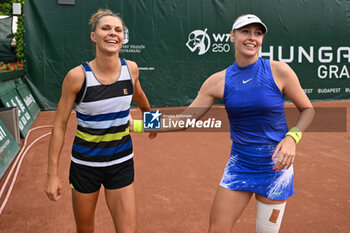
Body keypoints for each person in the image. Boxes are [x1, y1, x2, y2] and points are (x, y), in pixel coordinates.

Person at [143, 14, 313, 232]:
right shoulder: (218, 81)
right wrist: (140, 124)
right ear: (232, 36)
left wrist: (292, 137)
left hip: (276, 168)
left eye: (258, 33)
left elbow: (308, 109)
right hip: (240, 166)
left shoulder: (279, 71)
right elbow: (185, 118)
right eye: (245, 32)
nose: (252, 38)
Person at [44, 9, 156, 233]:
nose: (112, 33)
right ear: (94, 36)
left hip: (121, 163)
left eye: (118, 30)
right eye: (105, 28)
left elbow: (140, 95)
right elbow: (59, 125)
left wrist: (151, 120)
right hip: (85, 167)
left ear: (123, 37)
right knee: (85, 230)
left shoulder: (131, 69)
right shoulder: (77, 77)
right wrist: (52, 175)